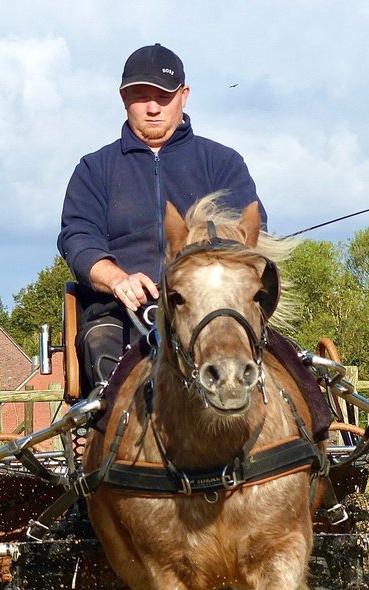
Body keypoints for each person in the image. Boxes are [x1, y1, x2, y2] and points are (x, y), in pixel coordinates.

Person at [58, 43, 266, 393]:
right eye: (141, 96)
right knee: (100, 347)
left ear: (184, 96)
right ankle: (102, 439)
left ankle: (313, 437)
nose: (153, 108)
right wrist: (117, 279)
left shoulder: (223, 164)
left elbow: (249, 234)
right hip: (122, 314)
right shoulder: (94, 170)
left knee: (286, 363)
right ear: (124, 99)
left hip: (213, 306)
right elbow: (78, 237)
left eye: (164, 96)